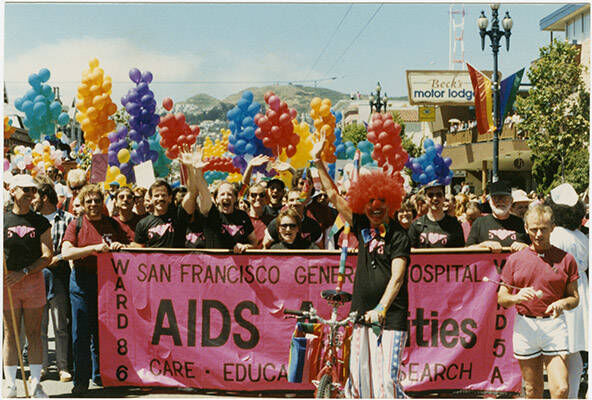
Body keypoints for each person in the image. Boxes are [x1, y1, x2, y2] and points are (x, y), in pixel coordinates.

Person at [313, 135, 410, 398]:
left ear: (390, 203)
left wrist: (381, 308)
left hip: (390, 319)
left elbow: (398, 278)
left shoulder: (399, 236)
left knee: (387, 384)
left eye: (381, 201)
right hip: (359, 316)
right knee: (359, 383)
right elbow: (332, 194)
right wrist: (317, 161)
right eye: (370, 202)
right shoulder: (360, 225)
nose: (375, 207)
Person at [498, 204, 579, 399]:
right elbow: (502, 298)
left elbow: (574, 298)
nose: (539, 233)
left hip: (554, 327)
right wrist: (516, 297)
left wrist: (562, 304)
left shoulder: (566, 259)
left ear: (553, 227)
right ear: (526, 228)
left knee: (561, 389)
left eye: (543, 228)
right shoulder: (515, 260)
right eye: (534, 229)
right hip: (526, 327)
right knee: (533, 390)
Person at [61, 184, 129, 394]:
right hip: (82, 281)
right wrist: (93, 249)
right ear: (82, 203)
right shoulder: (77, 224)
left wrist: (122, 247)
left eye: (97, 201)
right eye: (89, 201)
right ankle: (81, 381)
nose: (93, 205)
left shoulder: (113, 224)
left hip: (108, 283)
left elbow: (134, 246)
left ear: (102, 203)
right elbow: (66, 253)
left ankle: (102, 376)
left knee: (105, 332)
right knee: (80, 332)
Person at [3, 174, 53, 398]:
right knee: (11, 334)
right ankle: (11, 384)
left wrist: (23, 272)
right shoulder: (3, 220)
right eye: (26, 190)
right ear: (13, 191)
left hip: (32, 281)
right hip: (7, 283)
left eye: (33, 191)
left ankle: (35, 383)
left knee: (33, 333)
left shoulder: (40, 222)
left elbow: (47, 256)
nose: (31, 195)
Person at [547, 183, 589, 398]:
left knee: (561, 350)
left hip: (563, 293)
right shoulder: (582, 237)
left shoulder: (556, 236)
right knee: (574, 350)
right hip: (581, 293)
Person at [32, 183, 74, 382]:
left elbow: (71, 246)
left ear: (45, 198)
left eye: (35, 197)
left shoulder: (67, 219)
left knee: (60, 325)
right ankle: (41, 367)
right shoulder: (31, 221)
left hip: (58, 278)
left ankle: (62, 367)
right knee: (39, 326)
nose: (32, 201)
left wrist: (55, 259)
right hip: (36, 277)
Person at [467, 181, 529, 252]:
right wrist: (483, 245)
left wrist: (525, 247)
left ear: (511, 201)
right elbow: (467, 249)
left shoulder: (520, 222)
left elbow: (533, 248)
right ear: (489, 201)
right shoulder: (479, 222)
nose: (500, 201)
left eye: (505, 198)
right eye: (496, 198)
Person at [408, 184, 465, 248]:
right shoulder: (416, 225)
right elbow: (411, 251)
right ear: (425, 198)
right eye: (430, 195)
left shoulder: (454, 225)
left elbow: (460, 253)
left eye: (439, 195)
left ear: (444, 198)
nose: (435, 198)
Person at [246, 183, 275, 248]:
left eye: (261, 195)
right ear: (248, 198)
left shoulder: (272, 221)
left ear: (265, 198)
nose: (258, 198)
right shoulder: (242, 219)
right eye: (254, 195)